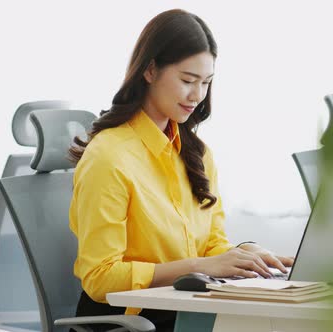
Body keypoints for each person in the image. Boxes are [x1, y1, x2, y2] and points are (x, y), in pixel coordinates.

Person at [68, 9, 294, 332]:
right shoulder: (108, 157)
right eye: (187, 81)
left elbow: (211, 245)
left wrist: (244, 255)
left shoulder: (197, 154)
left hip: (183, 310)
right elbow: (100, 278)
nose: (197, 95)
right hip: (130, 322)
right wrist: (199, 266)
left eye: (206, 83)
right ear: (150, 70)